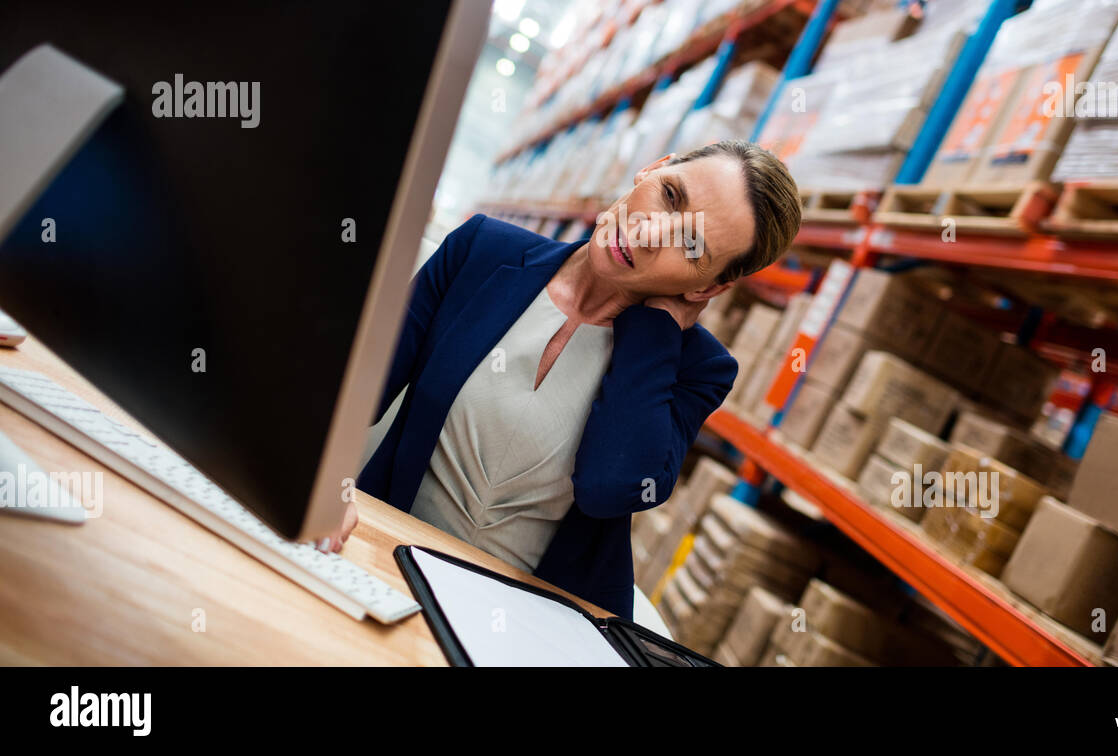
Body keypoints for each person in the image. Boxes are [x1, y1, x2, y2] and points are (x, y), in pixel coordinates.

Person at [337, 140, 801, 617]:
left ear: (707, 287)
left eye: (691, 245)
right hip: (387, 557)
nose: (648, 235)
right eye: (670, 195)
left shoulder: (697, 368)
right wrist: (326, 488)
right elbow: (353, 394)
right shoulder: (480, 252)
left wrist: (656, 328)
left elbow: (611, 486)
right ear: (651, 169)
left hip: (534, 622)